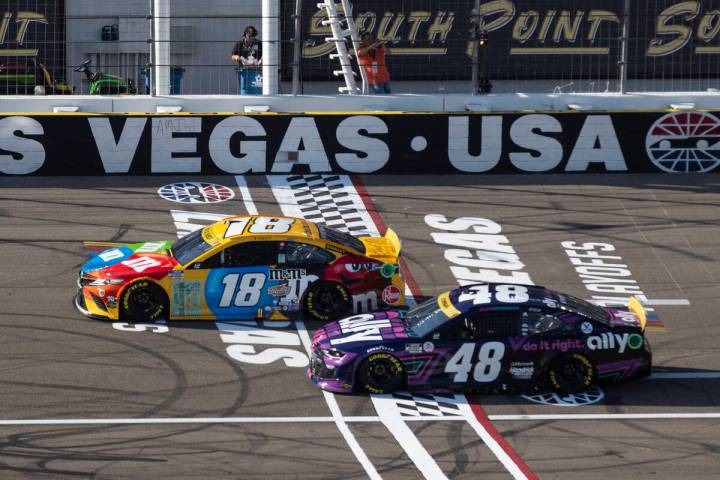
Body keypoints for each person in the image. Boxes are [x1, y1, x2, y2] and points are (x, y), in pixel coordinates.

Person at [231, 25, 263, 94]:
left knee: (257, 88)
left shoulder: (260, 44)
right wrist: (239, 58)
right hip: (244, 71)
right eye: (250, 36)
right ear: (245, 35)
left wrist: (261, 60)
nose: (252, 38)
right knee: (245, 89)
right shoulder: (239, 44)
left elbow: (266, 53)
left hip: (257, 71)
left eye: (253, 36)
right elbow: (233, 56)